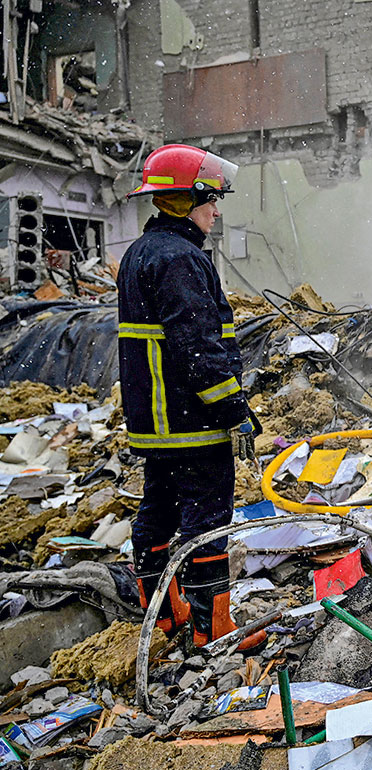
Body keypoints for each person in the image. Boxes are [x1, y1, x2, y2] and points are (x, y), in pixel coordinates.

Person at [119, 143, 265, 650]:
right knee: (208, 519)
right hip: (191, 420)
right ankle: (213, 629)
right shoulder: (181, 258)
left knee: (157, 511)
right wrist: (234, 411)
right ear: (187, 199)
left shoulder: (141, 253)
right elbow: (199, 348)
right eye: (211, 201)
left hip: (154, 423)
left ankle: (164, 614)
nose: (216, 210)